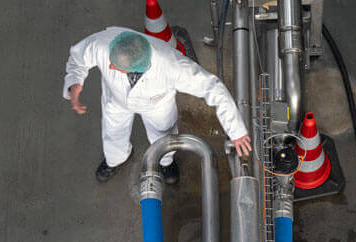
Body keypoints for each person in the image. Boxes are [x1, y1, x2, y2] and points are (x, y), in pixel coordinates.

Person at [63, 27, 252, 183]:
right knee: (113, 130)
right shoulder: (105, 43)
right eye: (111, 62)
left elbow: (214, 88)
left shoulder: (171, 66)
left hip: (157, 105)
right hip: (116, 99)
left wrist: (236, 130)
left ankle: (166, 162)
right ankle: (115, 159)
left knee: (164, 134)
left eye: (116, 66)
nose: (110, 67)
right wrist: (74, 82)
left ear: (136, 69)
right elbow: (78, 58)